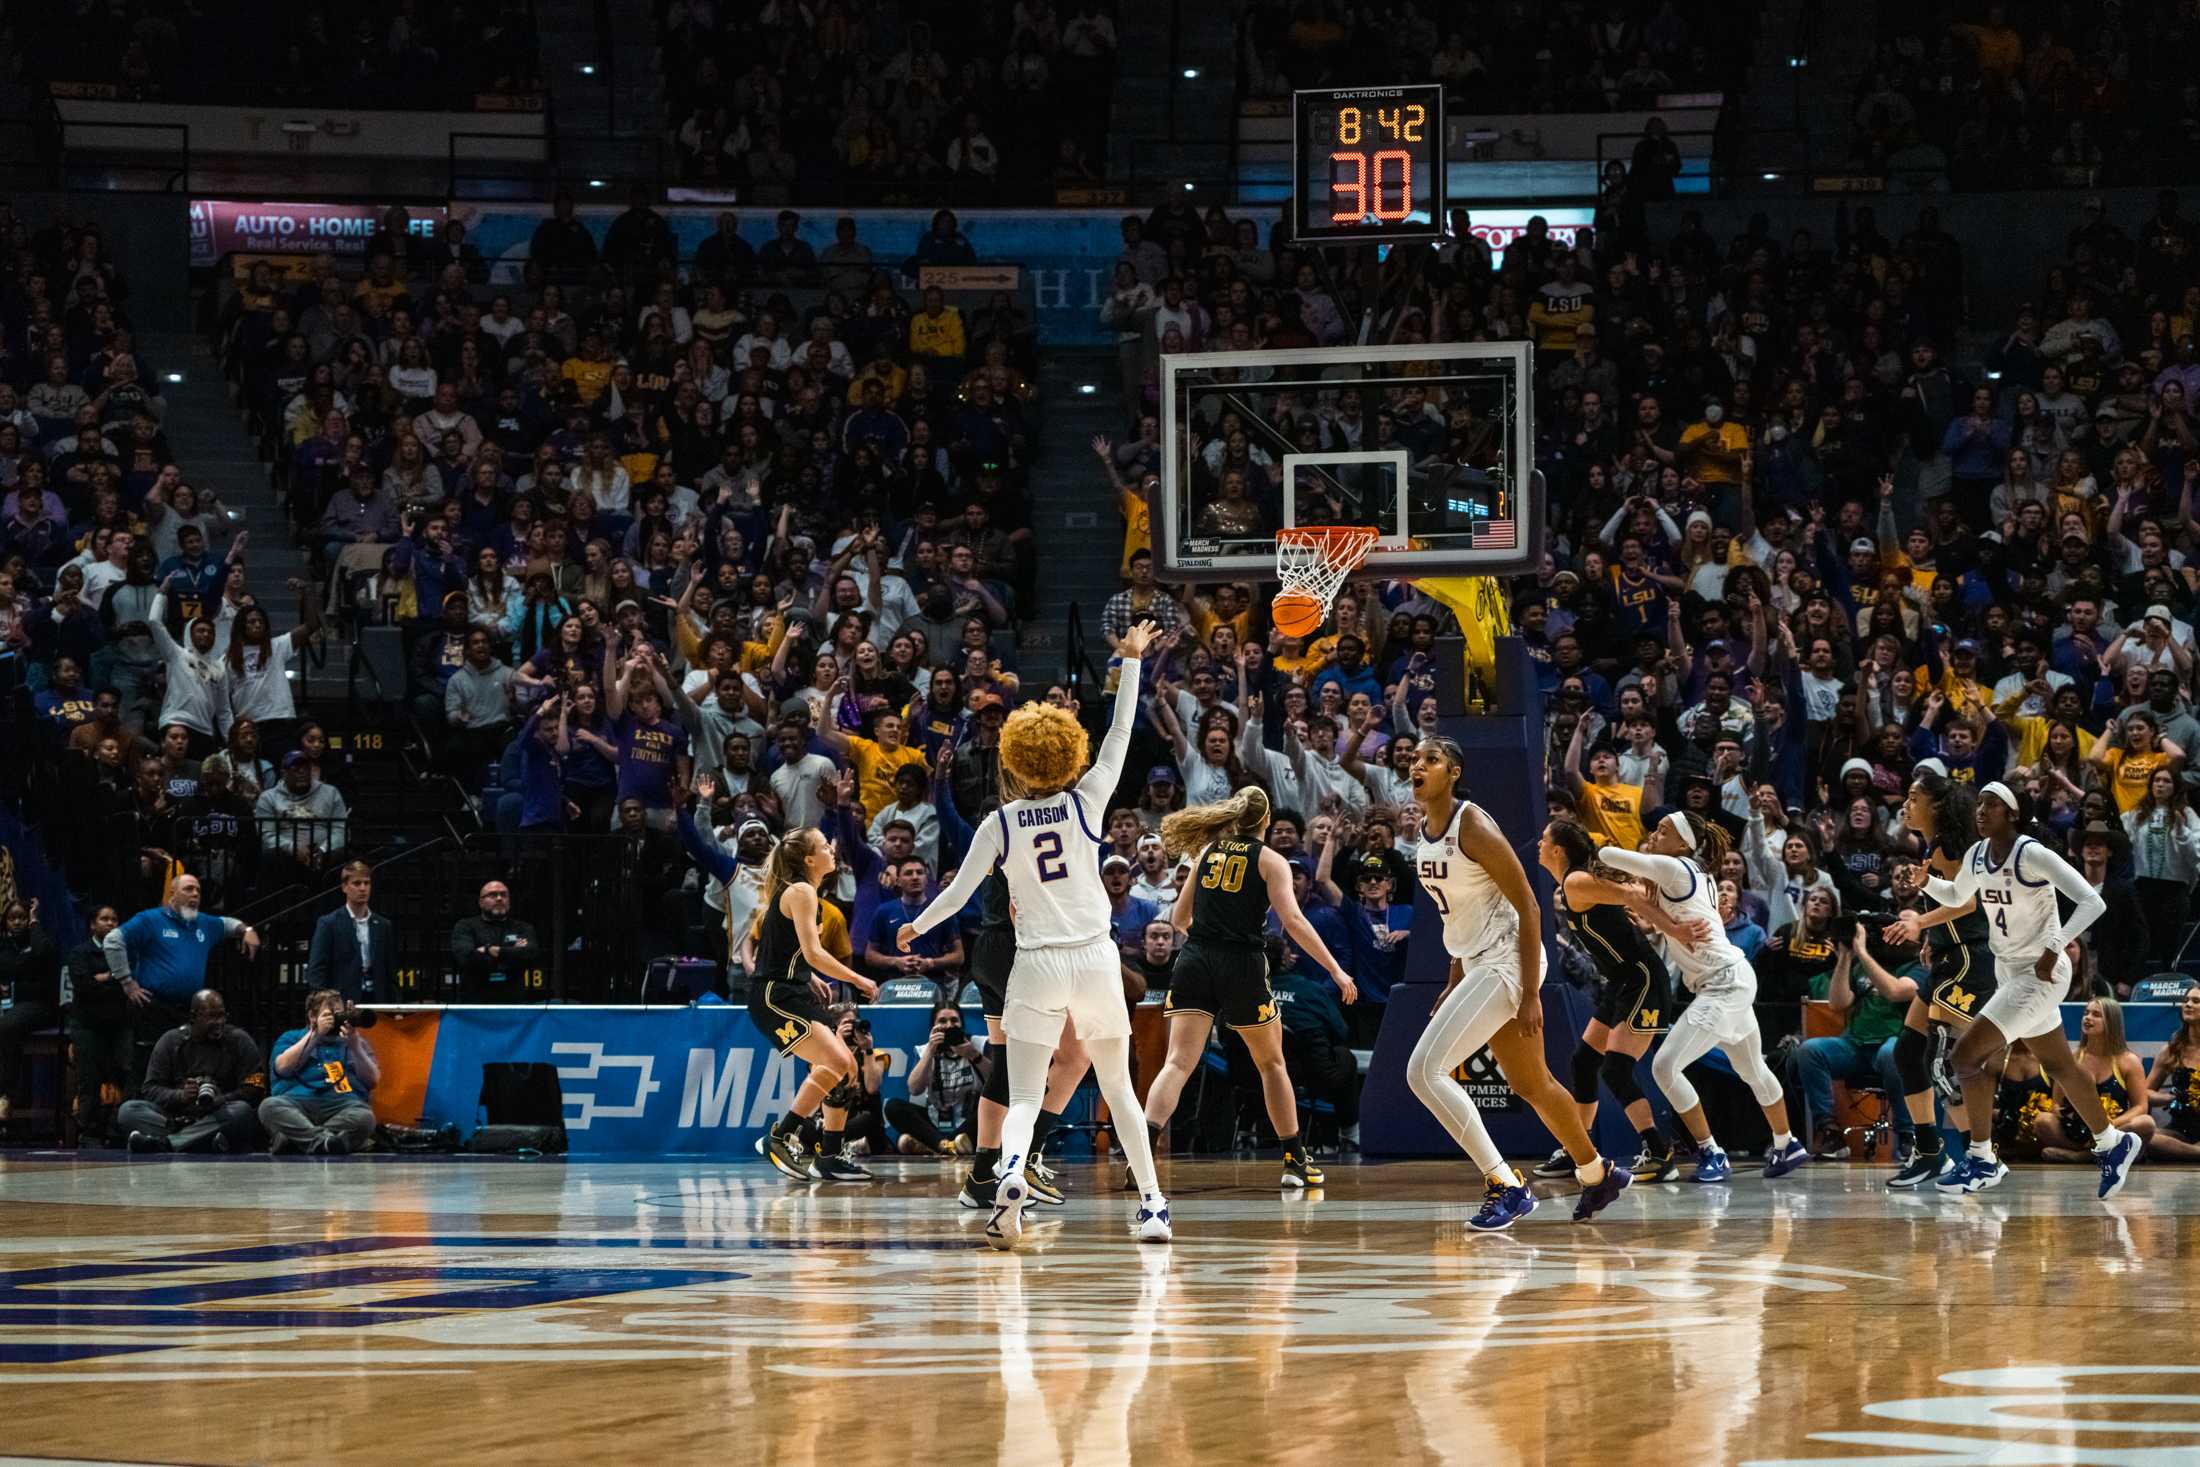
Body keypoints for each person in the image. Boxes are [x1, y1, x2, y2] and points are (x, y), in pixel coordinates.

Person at [897, 620, 1172, 1249]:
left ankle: (1010, 1183)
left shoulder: (999, 822)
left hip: (1036, 965)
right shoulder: (1088, 800)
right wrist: (1130, 662)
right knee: (1118, 1086)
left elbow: (959, 895)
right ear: (1069, 752)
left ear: (1015, 757)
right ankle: (1153, 1206)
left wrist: (917, 925)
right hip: (1096, 961)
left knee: (1022, 1096)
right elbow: (1122, 736)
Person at [1403, 737, 1637, 1233]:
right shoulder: (1423, 831)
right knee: (1532, 1084)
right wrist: (1454, 977)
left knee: (1424, 1071)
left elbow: (1528, 907)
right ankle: (1597, 1173)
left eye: (1430, 759)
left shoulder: (1475, 824)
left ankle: (1505, 1184)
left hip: (1509, 963)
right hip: (1477, 961)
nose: (1416, 765)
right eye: (1413, 758)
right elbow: (1461, 915)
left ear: (1455, 771)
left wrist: (1530, 992)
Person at [1899, 781, 2140, 1199]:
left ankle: (1981, 1159)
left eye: (1992, 804)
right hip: (2009, 970)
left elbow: (2091, 901)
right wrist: (1927, 884)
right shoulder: (1976, 855)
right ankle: (2113, 1144)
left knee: (1965, 1056)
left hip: (2042, 972)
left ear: (2011, 814)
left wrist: (2054, 944)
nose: (1981, 810)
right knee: (2061, 1064)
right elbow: (1960, 895)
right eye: (1979, 803)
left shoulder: (2031, 853)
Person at [1139, 785, 1357, 1189]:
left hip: (1195, 960)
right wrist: (1336, 970)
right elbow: (1293, 922)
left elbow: (1179, 919)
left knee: (1178, 1064)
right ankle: (1294, 1161)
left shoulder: (1207, 854)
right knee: (1271, 1064)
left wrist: (1209, 935)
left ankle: (1142, 1157)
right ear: (1267, 821)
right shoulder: (1271, 860)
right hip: (1241, 963)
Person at [1599, 810, 1812, 1184]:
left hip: (1724, 983)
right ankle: (1787, 1142)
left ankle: (1711, 1151)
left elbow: (1609, 857)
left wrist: (1596, 848)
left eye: (1662, 830)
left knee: (1665, 1066)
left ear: (1682, 843)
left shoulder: (1676, 868)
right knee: (1752, 1070)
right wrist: (1656, 919)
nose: (1653, 833)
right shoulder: (1697, 875)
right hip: (1732, 977)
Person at [1536, 821, 1688, 1184]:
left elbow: (1634, 892)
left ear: (1558, 850)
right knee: (1585, 1061)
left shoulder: (1575, 882)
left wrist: (1674, 930)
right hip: (1621, 983)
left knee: (1616, 1069)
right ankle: (1579, 1149)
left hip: (1642, 980)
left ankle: (1659, 1151)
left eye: (1544, 840)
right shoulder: (1574, 880)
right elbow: (1633, 895)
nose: (1538, 845)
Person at [746, 823, 882, 1182]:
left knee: (846, 1069)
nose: (832, 848)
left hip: (794, 990)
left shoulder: (806, 893)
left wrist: (812, 976)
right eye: (824, 845)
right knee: (837, 1060)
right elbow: (813, 951)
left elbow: (789, 949)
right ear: (809, 858)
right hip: (775, 996)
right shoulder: (802, 890)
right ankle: (780, 1136)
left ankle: (830, 1155)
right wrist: (856, 977)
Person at [1878, 772, 1993, 1189]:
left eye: (1914, 797)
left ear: (1938, 806)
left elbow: (1968, 902)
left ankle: (1979, 1155)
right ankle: (1930, 1153)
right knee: (1908, 1054)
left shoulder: (1951, 846)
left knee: (1943, 1060)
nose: (1906, 805)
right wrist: (1931, 936)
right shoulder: (1933, 847)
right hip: (1949, 955)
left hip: (1970, 959)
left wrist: (1921, 922)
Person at [103, 874, 261, 1081]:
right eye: (188, 889)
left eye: (198, 890)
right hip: (154, 1007)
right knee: (148, 1067)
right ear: (172, 894)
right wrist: (127, 982)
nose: (195, 894)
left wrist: (246, 930)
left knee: (181, 1067)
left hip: (188, 1010)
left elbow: (229, 923)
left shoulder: (204, 922)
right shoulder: (150, 919)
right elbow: (112, 940)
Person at [116, 989, 266, 1154]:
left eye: (222, 1015)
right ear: (194, 1017)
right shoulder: (171, 1041)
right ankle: (202, 1143)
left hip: (216, 1116)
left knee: (241, 1111)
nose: (219, 1022)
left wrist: (221, 1099)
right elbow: (150, 1088)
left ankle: (166, 1144)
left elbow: (255, 1088)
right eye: (212, 1017)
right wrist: (180, 1096)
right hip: (175, 1118)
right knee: (128, 1111)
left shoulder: (239, 1040)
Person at [259, 989, 379, 1155]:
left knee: (365, 1118)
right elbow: (282, 1067)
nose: (336, 1020)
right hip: (297, 1105)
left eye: (339, 1014)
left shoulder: (353, 1041)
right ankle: (327, 1142)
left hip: (342, 1106)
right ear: (312, 1016)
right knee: (269, 1107)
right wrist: (315, 1035)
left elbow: (373, 1080)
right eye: (329, 1014)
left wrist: (355, 1045)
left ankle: (297, 1141)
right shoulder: (291, 1038)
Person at [2034, 997, 2155, 1161]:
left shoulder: (2128, 1061)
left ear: (2111, 1022)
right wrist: (2070, 1117)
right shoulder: (2071, 1059)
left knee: (2146, 1123)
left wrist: (2112, 1123)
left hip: (2114, 1129)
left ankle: (2081, 1157)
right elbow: (2056, 1104)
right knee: (2043, 1121)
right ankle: (2088, 1153)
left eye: (2096, 1014)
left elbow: (2140, 1106)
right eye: (2086, 1013)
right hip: (2076, 1132)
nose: (2088, 1018)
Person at [893, 1000, 986, 1154]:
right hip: (935, 1122)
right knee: (893, 1107)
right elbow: (914, 1089)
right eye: (942, 1021)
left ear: (962, 1024)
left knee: (993, 1109)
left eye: (954, 1020)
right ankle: (946, 1145)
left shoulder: (978, 1044)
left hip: (969, 1123)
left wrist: (973, 1055)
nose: (949, 1025)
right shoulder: (925, 1050)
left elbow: (998, 1082)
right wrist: (930, 1050)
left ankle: (935, 1147)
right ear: (933, 1027)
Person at [0, 900, 59, 1122]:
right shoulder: (4, 945)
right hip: (12, 1005)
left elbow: (43, 955)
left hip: (39, 1006)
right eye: (12, 918)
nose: (17, 922)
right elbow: (11, 967)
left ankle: (6, 1094)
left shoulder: (39, 939)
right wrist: (25, 964)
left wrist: (35, 924)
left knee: (6, 1026)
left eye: (22, 917)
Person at [304, 860, 394, 1002]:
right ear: (344, 887)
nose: (363, 888)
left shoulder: (383, 925)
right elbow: (316, 971)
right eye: (357, 883)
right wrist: (324, 1005)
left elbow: (390, 972)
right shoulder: (329, 923)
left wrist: (396, 1008)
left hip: (377, 1002)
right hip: (343, 1002)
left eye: (367, 883)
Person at [449, 879, 541, 1002]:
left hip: (514, 1002)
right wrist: (512, 952)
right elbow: (466, 958)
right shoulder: (465, 925)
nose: (499, 898)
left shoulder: (523, 927)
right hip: (474, 1003)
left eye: (503, 895)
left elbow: (530, 954)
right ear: (481, 902)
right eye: (493, 895)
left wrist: (488, 950)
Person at [2143, 984, 2200, 1161]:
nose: (2188, 1004)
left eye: (2196, 1001)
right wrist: (2171, 1098)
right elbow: (2144, 1093)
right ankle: (2196, 1153)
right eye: (2185, 1000)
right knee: (2144, 1139)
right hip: (2180, 1129)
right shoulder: (2171, 1050)